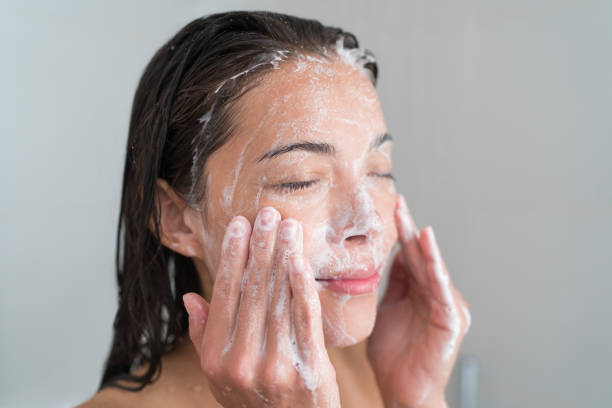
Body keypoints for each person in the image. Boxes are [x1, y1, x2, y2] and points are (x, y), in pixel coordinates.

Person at [79, 10, 471, 408]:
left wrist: (418, 398)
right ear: (176, 218)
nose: (368, 223)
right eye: (300, 180)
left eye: (379, 171)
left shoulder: (374, 368)